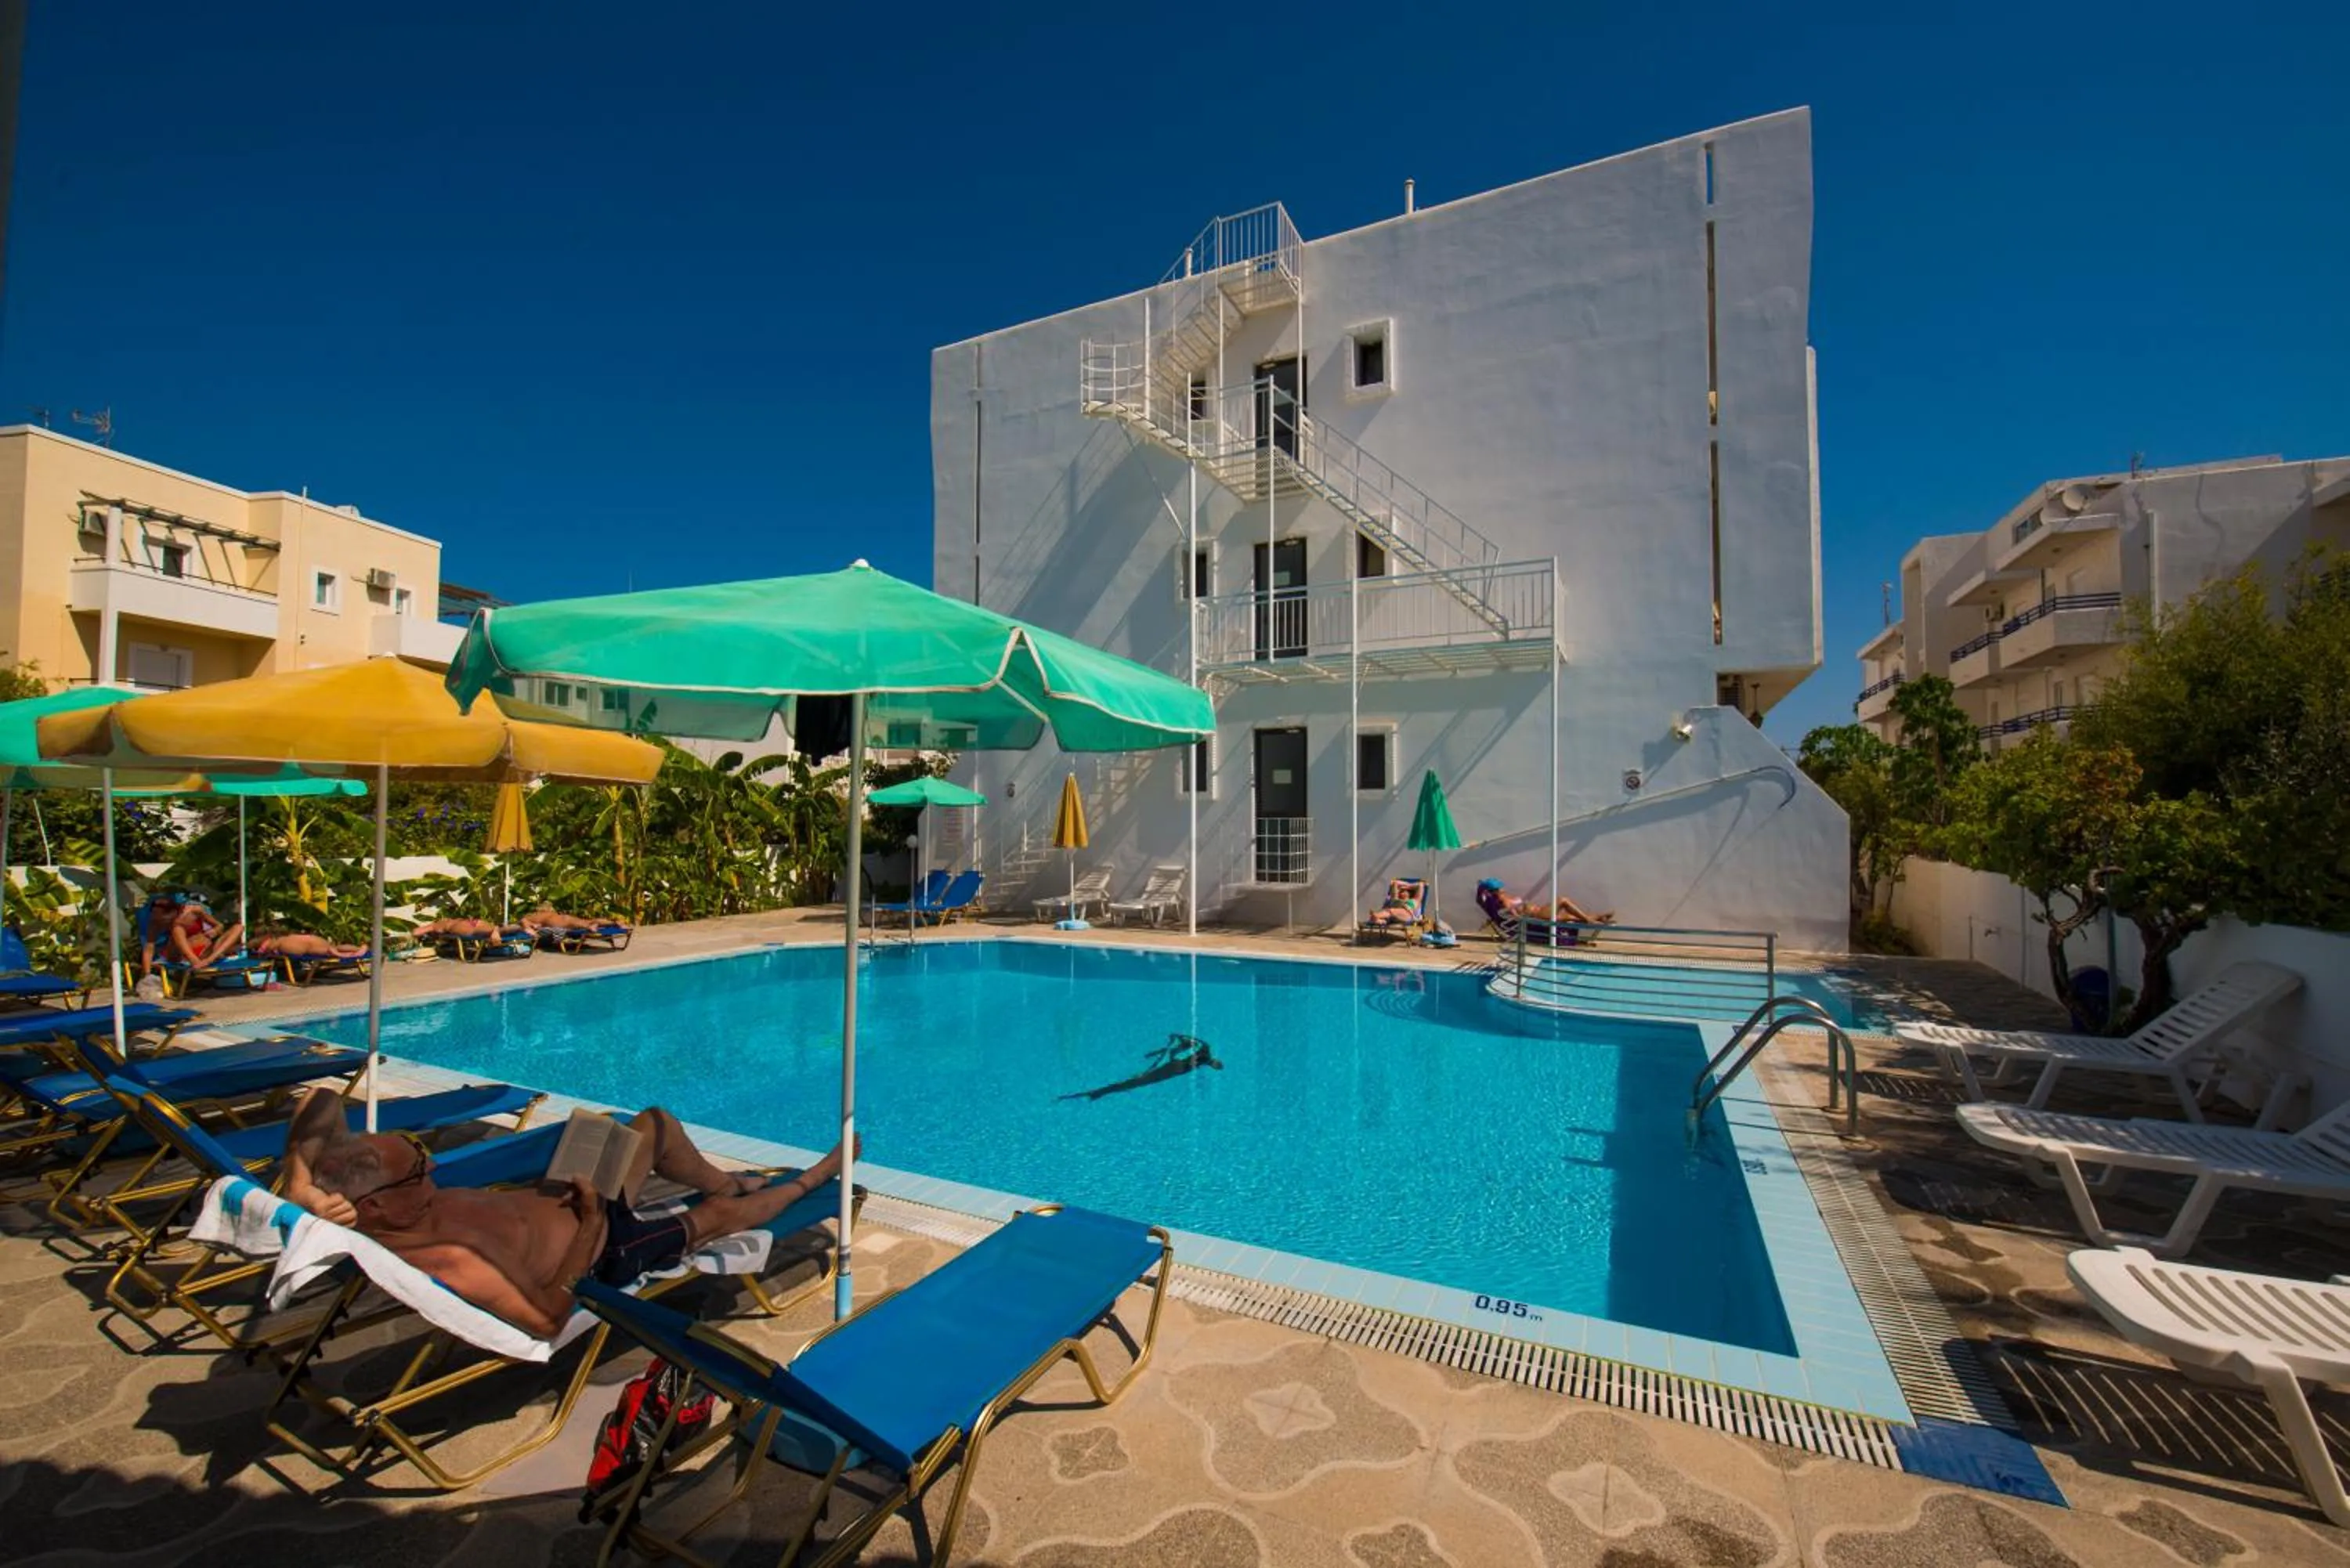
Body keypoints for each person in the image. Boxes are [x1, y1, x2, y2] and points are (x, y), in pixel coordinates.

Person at [280, 1086, 857, 1339]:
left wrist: (300, 1185)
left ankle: (730, 1180)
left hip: (569, 1198)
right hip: (602, 1244)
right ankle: (817, 1175)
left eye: (423, 1154)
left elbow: (321, 1103)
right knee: (715, 1218)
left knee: (653, 1122)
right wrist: (585, 1225)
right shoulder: (445, 1259)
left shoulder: (386, 1206)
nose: (433, 1170)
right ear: (376, 1203)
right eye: (418, 1169)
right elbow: (552, 1315)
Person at [142, 894, 245, 976]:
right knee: (177, 928)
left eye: (161, 916)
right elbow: (149, 949)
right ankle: (195, 962)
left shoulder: (194, 911)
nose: (157, 919)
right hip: (178, 955)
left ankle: (210, 959)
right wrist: (147, 974)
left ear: (173, 912)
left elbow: (219, 926)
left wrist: (215, 930)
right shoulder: (155, 924)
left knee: (238, 927)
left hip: (204, 952)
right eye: (154, 915)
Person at [250, 929, 368, 960]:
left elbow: (266, 950)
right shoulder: (280, 938)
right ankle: (359, 948)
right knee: (332, 947)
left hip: (309, 944)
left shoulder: (275, 941)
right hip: (308, 942)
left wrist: (261, 952)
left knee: (331, 949)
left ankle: (359, 948)